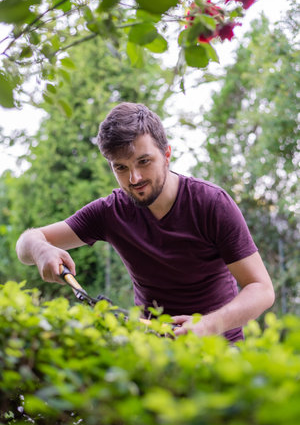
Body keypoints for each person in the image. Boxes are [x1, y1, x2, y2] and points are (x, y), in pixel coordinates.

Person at [16, 102, 275, 343]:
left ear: (167, 154)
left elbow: (261, 289)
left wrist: (207, 325)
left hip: (219, 351)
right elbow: (26, 242)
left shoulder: (212, 203)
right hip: (150, 354)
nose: (134, 178)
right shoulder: (110, 211)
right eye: (121, 168)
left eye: (144, 161)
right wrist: (41, 250)